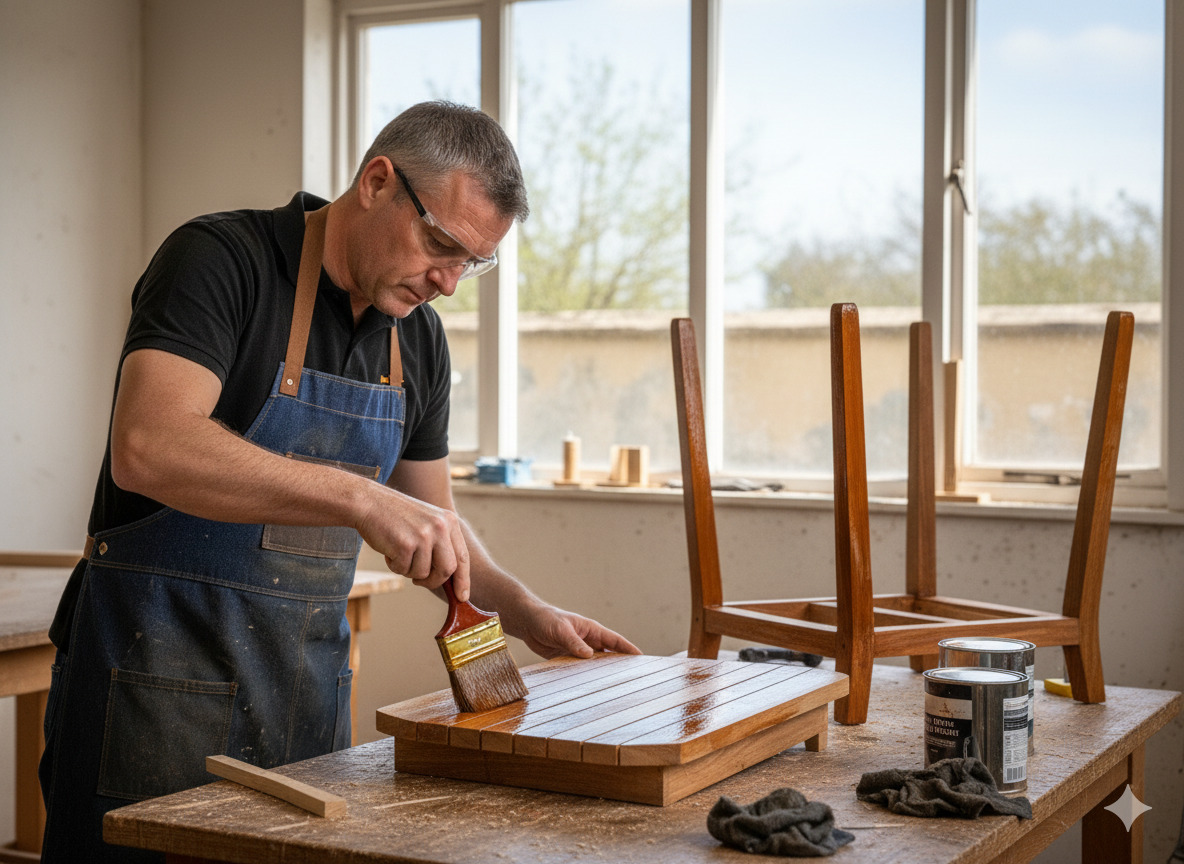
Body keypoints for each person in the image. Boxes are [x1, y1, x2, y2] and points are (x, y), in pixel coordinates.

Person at [39, 100, 641, 862]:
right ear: (378, 182)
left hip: (305, 714)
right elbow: (150, 445)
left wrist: (525, 613)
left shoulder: (417, 341)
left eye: (472, 263)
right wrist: (359, 496)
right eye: (441, 245)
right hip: (150, 699)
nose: (449, 283)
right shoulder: (222, 261)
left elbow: (436, 531)